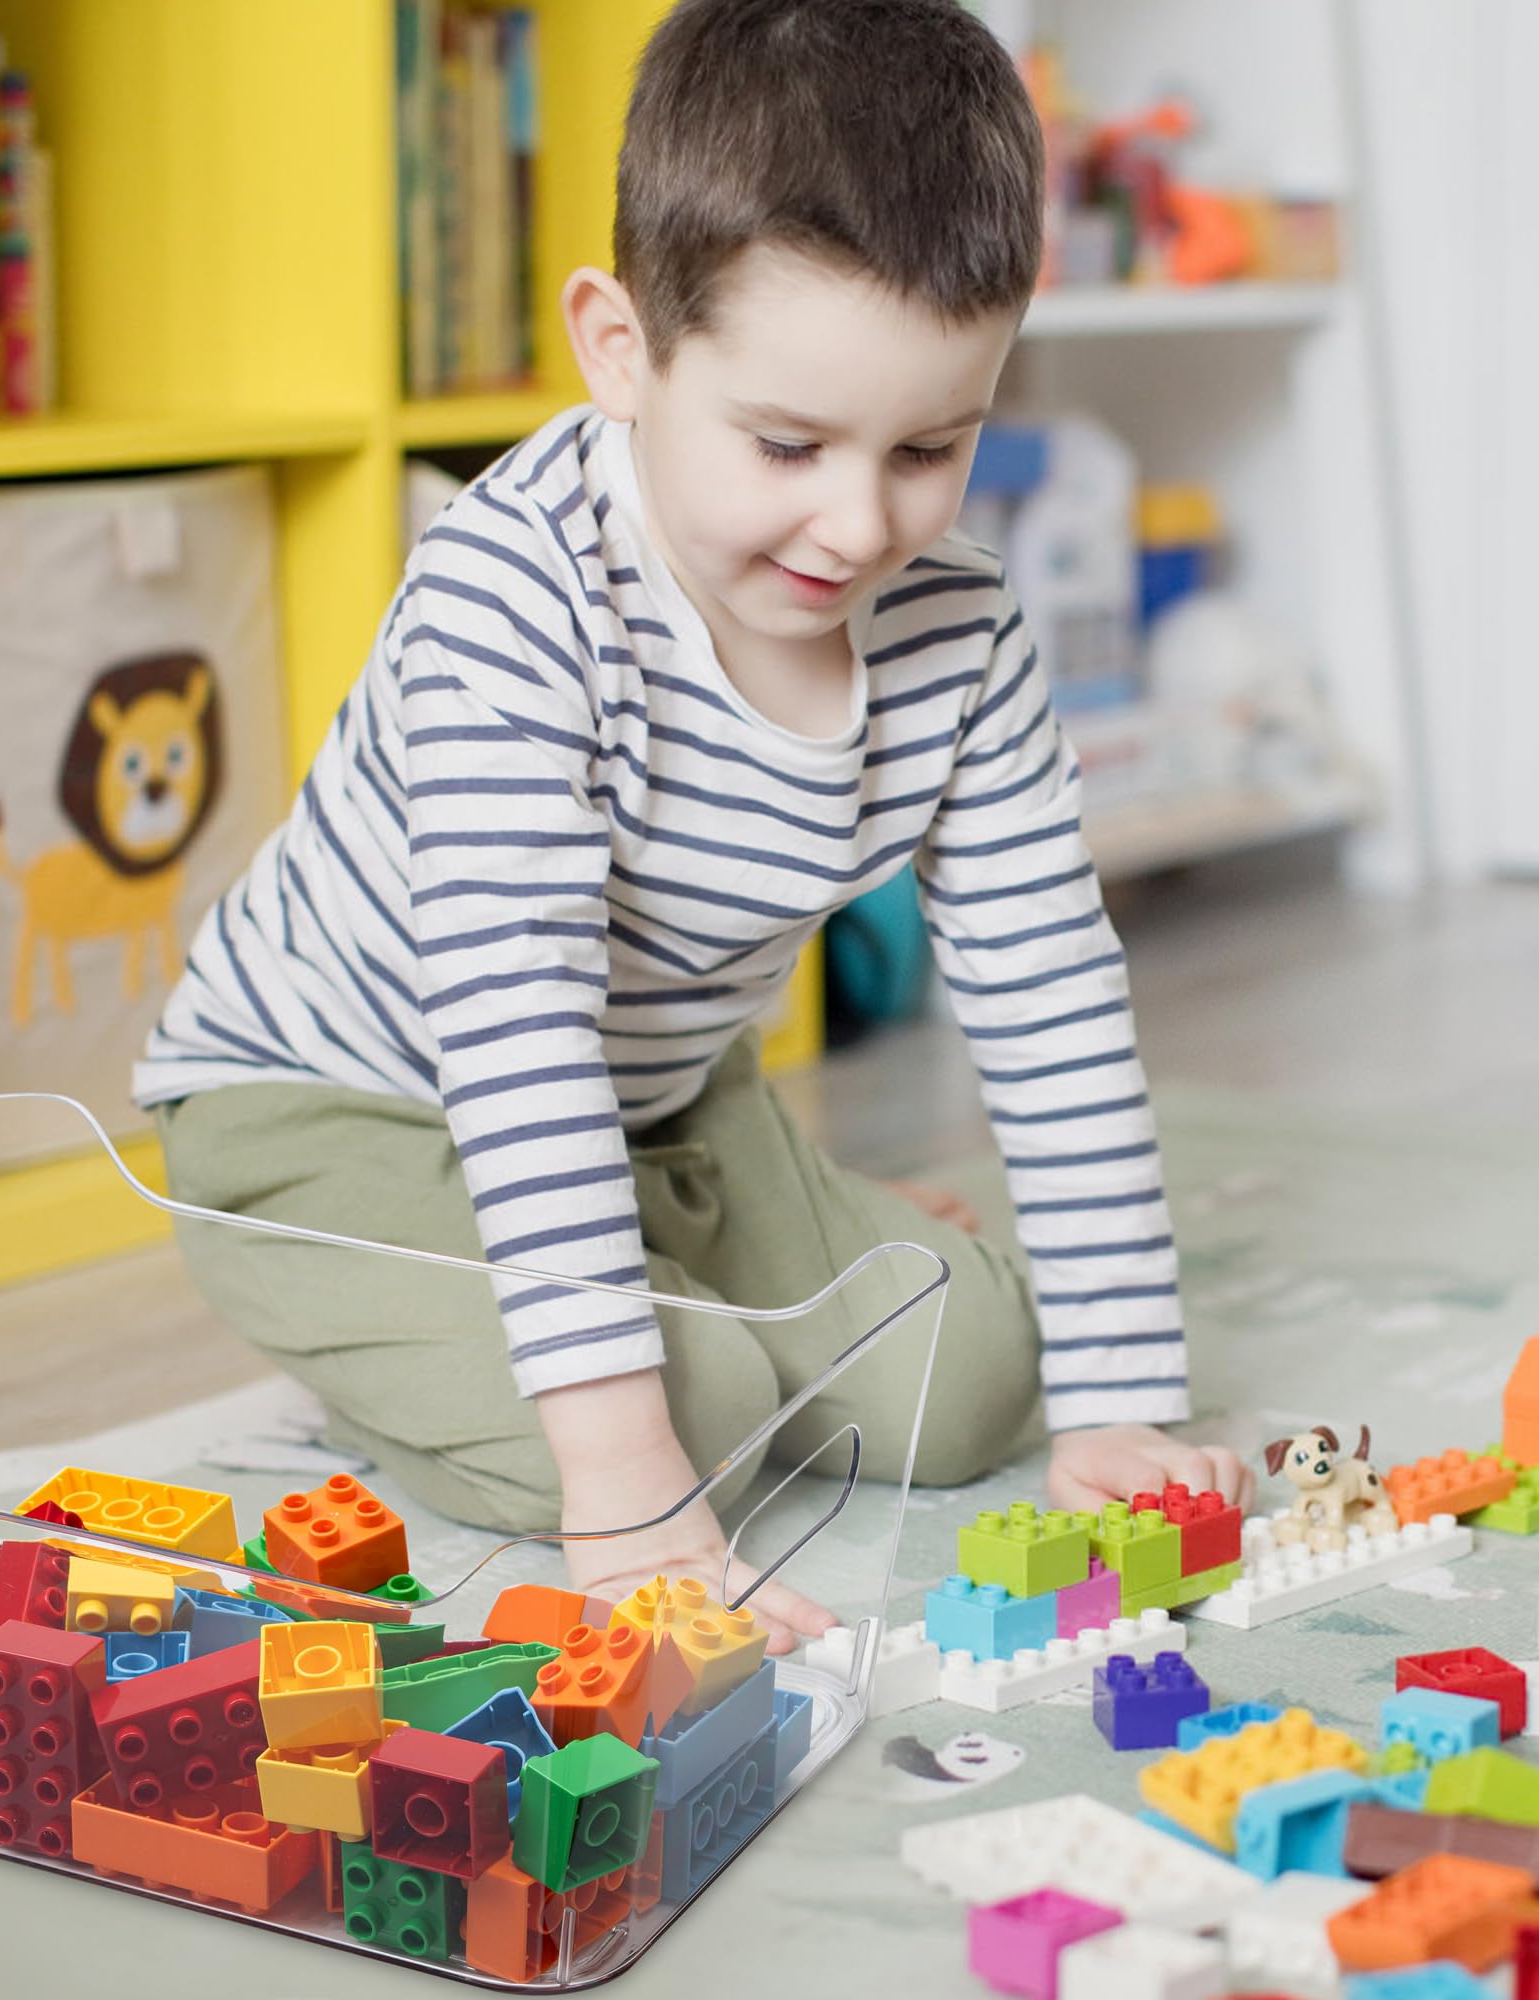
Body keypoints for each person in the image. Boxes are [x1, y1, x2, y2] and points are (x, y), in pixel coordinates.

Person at [137, 0, 1249, 1655]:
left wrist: (1118, 1403)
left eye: (930, 447)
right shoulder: (514, 595)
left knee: (976, 1381)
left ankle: (656, 1281)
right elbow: (515, 1033)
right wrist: (626, 1484)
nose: (857, 525)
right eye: (788, 444)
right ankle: (406, 1323)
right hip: (328, 1110)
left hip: (658, 1097)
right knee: (691, 1404)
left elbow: (1053, 998)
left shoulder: (959, 628)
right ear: (622, 349)